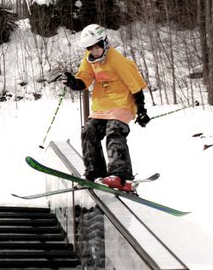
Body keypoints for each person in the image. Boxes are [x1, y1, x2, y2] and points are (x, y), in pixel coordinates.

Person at [62, 24, 150, 192]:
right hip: (102, 107)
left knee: (114, 130)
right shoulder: (88, 60)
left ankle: (120, 175)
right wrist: (73, 82)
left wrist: (142, 110)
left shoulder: (117, 60)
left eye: (97, 47)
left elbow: (135, 86)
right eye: (90, 48)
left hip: (122, 104)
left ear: (104, 43)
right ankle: (95, 172)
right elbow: (84, 79)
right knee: (88, 130)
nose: (94, 51)